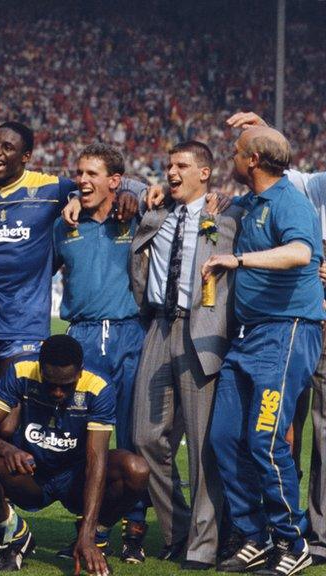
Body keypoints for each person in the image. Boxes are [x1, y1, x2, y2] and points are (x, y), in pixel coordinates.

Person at [0, 122, 140, 412]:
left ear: (26, 156)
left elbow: (114, 184)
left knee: (21, 420)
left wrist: (128, 192)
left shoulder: (51, 190)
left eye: (8, 147)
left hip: (28, 326)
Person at [202, 126, 324, 576]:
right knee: (223, 438)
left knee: (266, 439)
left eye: (235, 152)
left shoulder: (291, 202)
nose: (230, 158)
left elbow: (297, 253)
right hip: (249, 336)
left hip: (288, 331)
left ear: (253, 159)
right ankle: (253, 536)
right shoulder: (251, 203)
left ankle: (293, 542)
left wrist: (237, 260)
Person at [123, 141, 239, 570]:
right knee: (146, 436)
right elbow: (120, 184)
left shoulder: (227, 215)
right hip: (158, 325)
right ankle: (180, 528)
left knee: (203, 443)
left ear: (205, 173)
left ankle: (204, 544)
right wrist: (144, 186)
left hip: (202, 331)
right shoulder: (154, 213)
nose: (171, 172)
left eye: (181, 166)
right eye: (168, 166)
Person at [0, 335, 151, 575]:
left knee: (136, 469)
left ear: (79, 373)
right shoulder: (21, 371)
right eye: (51, 384)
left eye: (66, 385)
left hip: (75, 480)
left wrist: (88, 534)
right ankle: (14, 532)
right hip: (29, 476)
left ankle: (95, 537)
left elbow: (96, 462)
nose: (58, 392)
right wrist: (8, 449)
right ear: (40, 368)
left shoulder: (99, 386)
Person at [51, 143, 149, 563]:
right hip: (84, 338)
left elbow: (159, 192)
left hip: (130, 335)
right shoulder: (65, 225)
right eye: (79, 173)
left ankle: (135, 526)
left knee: (131, 432)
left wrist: (134, 191)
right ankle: (92, 522)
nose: (82, 180)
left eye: (92, 173)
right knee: (83, 435)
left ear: (114, 181)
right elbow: (44, 270)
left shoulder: (136, 215)